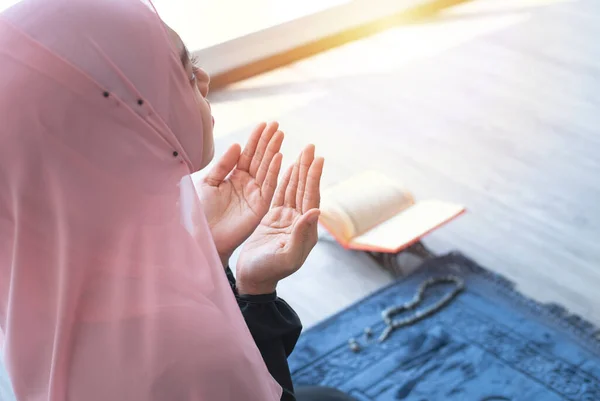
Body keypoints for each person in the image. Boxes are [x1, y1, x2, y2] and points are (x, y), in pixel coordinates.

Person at [0, 0, 356, 400]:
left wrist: (210, 255)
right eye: (183, 73)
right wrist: (257, 293)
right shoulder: (193, 355)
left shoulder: (32, 268)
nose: (203, 79)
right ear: (119, 127)